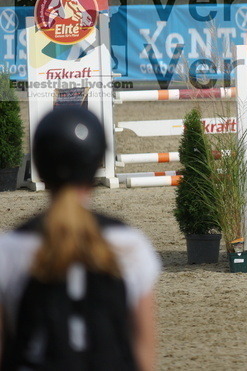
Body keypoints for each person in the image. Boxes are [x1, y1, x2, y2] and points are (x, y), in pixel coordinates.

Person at [0, 106, 160, 370]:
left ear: (40, 162)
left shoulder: (10, 248)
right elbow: (142, 347)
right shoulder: (130, 244)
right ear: (97, 161)